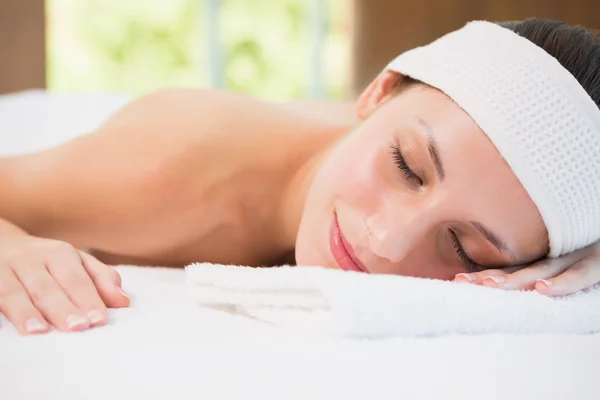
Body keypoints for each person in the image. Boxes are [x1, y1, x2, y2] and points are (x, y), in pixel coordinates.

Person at [1, 18, 599, 335]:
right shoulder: (168, 170)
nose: (387, 241)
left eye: (465, 249)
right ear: (379, 90)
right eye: (405, 168)